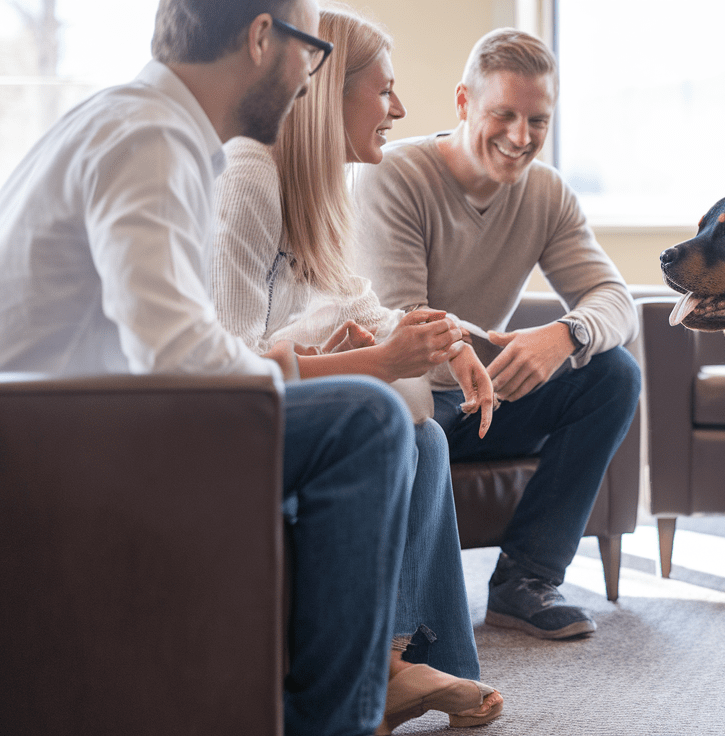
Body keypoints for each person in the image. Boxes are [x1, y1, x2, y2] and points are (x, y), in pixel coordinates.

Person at [0, 1, 450, 734]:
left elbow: (172, 342)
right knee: (366, 420)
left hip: (70, 428)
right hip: (59, 450)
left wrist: (294, 365)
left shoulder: (132, 121)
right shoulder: (149, 136)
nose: (310, 73)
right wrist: (309, 375)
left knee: (365, 412)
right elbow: (176, 360)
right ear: (262, 38)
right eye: (308, 48)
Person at [210, 5, 501, 731]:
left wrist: (449, 343)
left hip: (266, 410)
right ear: (329, 90)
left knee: (427, 437)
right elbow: (221, 364)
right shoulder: (246, 177)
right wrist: (379, 361)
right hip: (216, 424)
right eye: (385, 90)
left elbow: (363, 305)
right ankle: (392, 670)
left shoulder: (315, 189)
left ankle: (396, 660)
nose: (400, 108)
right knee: (395, 426)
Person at [353, 28, 642, 640]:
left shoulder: (547, 193)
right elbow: (402, 321)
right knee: (418, 404)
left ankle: (526, 581)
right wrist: (470, 357)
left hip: (482, 401)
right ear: (462, 103)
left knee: (614, 374)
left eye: (537, 120)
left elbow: (617, 301)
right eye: (503, 115)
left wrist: (565, 334)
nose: (521, 137)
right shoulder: (393, 176)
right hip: (411, 405)